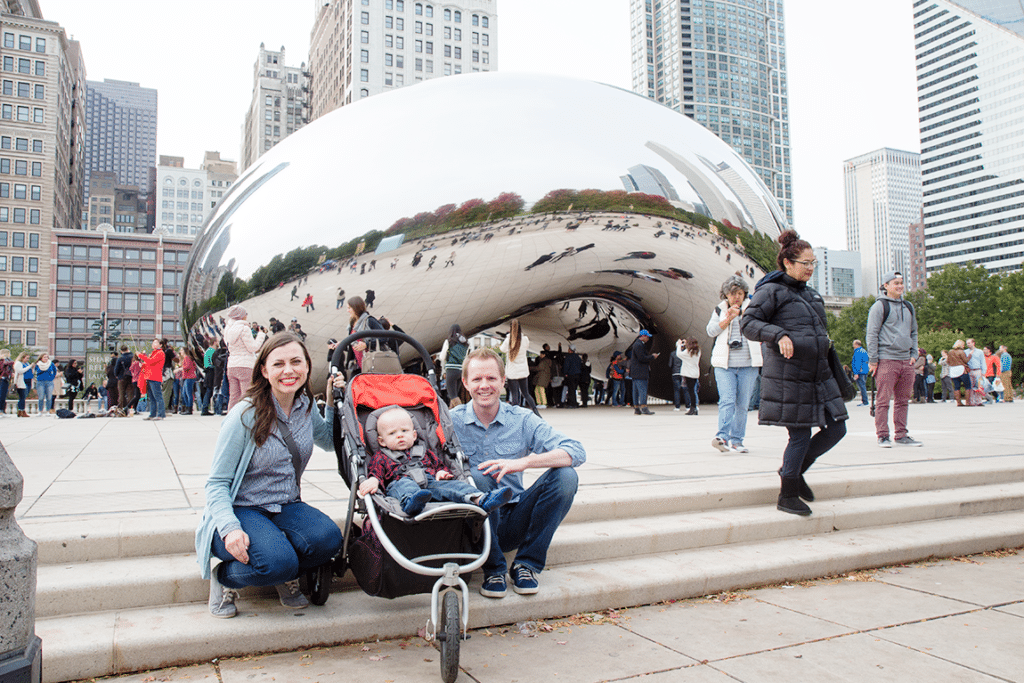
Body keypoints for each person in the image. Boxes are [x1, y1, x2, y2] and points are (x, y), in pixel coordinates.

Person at [195, 333, 345, 619]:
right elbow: (216, 483)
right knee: (278, 563)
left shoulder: (305, 406)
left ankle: (281, 562)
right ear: (264, 370)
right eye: (278, 364)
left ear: (307, 366)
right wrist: (229, 528)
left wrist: (334, 401)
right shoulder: (245, 414)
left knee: (329, 540)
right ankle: (224, 576)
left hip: (285, 505)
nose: (288, 370)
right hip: (243, 509)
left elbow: (327, 440)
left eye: (295, 362)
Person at [452, 348, 585, 598]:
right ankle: (493, 569)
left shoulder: (522, 419)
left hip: (513, 517)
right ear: (465, 383)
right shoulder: (451, 422)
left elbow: (575, 451)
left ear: (503, 381)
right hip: (473, 523)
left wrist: (523, 462)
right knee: (478, 478)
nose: (484, 386)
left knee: (566, 476)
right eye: (477, 379)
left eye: (491, 378)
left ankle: (526, 564)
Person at [741, 230, 848, 516]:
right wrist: (778, 334)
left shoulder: (811, 294)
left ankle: (794, 471)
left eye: (814, 263)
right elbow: (748, 324)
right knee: (799, 436)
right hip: (790, 374)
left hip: (819, 374)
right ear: (788, 263)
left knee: (837, 428)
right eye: (805, 263)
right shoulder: (771, 290)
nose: (811, 268)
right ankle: (787, 494)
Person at [357, 406, 513, 515]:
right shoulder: (382, 456)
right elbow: (376, 472)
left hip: (429, 483)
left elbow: (439, 465)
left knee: (453, 486)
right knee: (405, 485)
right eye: (392, 433)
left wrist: (441, 473)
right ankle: (411, 503)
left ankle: (480, 498)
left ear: (414, 435)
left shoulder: (425, 452)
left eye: (404, 431)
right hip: (399, 483)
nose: (400, 435)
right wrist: (374, 481)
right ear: (382, 441)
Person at [706, 274, 763, 451]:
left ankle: (737, 440)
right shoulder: (719, 310)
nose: (736, 297)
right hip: (725, 365)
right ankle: (722, 437)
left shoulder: (753, 309)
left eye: (739, 293)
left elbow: (760, 326)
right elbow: (711, 331)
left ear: (745, 294)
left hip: (748, 364)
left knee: (743, 403)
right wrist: (728, 319)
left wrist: (743, 314)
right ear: (725, 295)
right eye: (732, 294)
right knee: (727, 400)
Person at [866, 271, 922, 447]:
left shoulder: (908, 306)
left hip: (906, 360)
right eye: (895, 283)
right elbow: (872, 334)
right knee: (883, 401)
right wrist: (873, 359)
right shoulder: (879, 307)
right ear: (886, 286)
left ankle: (901, 434)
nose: (899, 286)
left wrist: (914, 354)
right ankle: (882, 435)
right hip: (886, 359)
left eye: (901, 282)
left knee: (903, 401)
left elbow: (914, 332)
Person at [224, 305, 268, 411]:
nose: (247, 316)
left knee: (234, 397)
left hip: (231, 366)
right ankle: (246, 421)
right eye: (246, 314)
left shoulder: (228, 329)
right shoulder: (244, 329)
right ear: (242, 316)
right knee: (247, 396)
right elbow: (253, 347)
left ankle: (231, 421)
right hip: (245, 365)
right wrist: (261, 334)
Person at [499, 320, 535, 411]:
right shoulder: (525, 339)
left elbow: (502, 349)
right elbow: (526, 347)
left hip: (512, 371)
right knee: (526, 393)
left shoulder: (508, 340)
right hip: (523, 370)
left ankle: (515, 413)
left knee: (514, 393)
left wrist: (507, 337)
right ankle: (536, 412)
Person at [628, 330, 659, 415]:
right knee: (642, 390)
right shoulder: (639, 345)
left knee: (635, 391)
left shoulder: (637, 344)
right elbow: (642, 358)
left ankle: (637, 408)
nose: (648, 338)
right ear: (643, 336)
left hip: (636, 372)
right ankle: (644, 407)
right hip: (640, 371)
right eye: (647, 337)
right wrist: (652, 357)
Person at [439, 324, 469, 406]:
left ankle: (462, 413)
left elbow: (442, 357)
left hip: (451, 370)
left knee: (453, 396)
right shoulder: (465, 343)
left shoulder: (449, 341)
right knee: (454, 395)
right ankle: (450, 416)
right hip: (461, 370)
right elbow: (466, 358)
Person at [138, 339, 167, 421]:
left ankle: (161, 414)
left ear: (160, 345)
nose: (154, 344)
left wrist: (141, 356)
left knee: (158, 397)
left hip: (155, 377)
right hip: (150, 377)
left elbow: (150, 362)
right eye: (153, 343)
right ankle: (152, 413)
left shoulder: (160, 353)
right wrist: (143, 364)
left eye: (156, 343)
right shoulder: (154, 353)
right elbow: (149, 363)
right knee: (151, 398)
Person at [674, 338, 701, 415]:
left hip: (688, 373)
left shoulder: (688, 352)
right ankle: (694, 407)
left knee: (691, 391)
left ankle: (692, 408)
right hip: (695, 373)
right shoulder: (697, 351)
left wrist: (679, 345)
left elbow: (678, 354)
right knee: (693, 391)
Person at [947, 340, 970, 406]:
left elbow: (948, 361)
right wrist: (970, 355)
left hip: (953, 370)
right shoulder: (961, 352)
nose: (964, 346)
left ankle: (958, 402)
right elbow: (966, 360)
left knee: (956, 387)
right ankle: (968, 402)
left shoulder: (950, 352)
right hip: (961, 369)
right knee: (967, 386)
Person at [965, 338, 985, 406]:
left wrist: (983, 371)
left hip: (978, 370)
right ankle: (972, 401)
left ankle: (979, 401)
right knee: (971, 386)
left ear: (973, 343)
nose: (968, 344)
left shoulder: (980, 352)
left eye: (969, 343)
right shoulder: (965, 352)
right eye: (967, 343)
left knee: (979, 386)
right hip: (970, 370)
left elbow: (982, 362)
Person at [851, 340, 870, 406]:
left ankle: (865, 401)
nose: (853, 345)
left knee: (861, 387)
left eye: (853, 344)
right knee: (863, 386)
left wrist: (856, 373)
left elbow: (857, 363)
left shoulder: (858, 352)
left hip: (860, 372)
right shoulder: (864, 351)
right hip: (864, 371)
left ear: (856, 344)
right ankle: (865, 401)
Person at [13, 352, 31, 417]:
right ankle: (21, 410)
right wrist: (29, 367)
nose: (27, 360)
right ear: (22, 357)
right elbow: (20, 371)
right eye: (26, 358)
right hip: (21, 382)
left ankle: (22, 410)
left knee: (24, 397)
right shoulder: (18, 363)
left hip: (28, 380)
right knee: (22, 397)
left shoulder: (26, 364)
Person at [0, 349, 12, 417]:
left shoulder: (7, 361)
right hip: (2, 379)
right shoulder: (3, 361)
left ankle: (3, 410)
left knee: (4, 395)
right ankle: (0, 411)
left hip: (6, 379)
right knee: (1, 395)